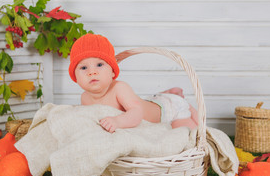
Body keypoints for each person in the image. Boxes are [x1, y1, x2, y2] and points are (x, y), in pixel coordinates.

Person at [68, 33, 198, 133]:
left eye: (99, 64)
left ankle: (176, 98)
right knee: (143, 101)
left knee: (187, 133)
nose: (92, 72)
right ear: (75, 77)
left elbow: (137, 112)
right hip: (148, 103)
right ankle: (167, 94)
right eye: (84, 68)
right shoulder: (84, 98)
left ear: (113, 71)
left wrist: (117, 121)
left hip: (168, 112)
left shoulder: (119, 88)